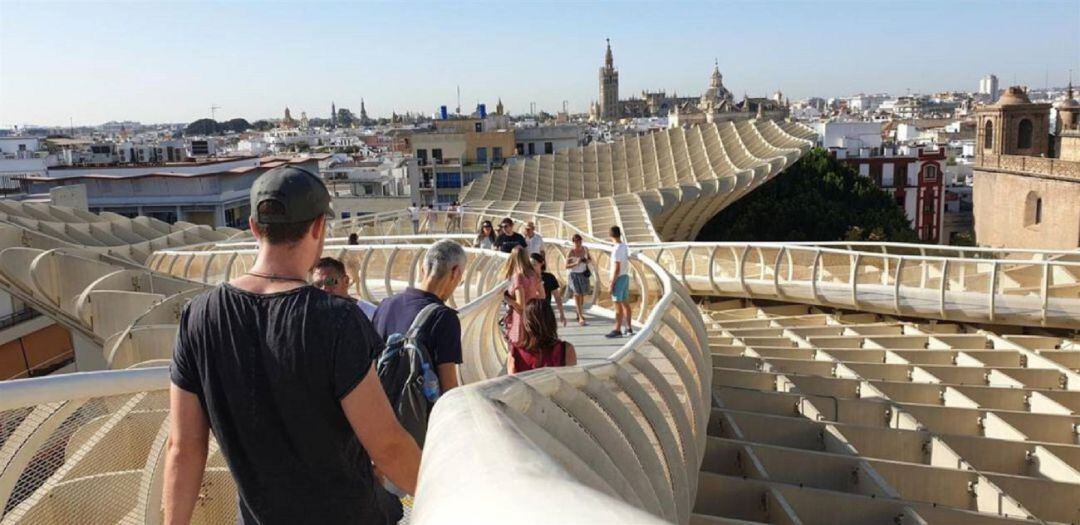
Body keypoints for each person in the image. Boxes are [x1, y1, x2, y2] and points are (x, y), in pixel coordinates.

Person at [166, 166, 420, 525]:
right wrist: (448, 495)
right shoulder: (337, 319)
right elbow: (388, 446)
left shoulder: (198, 316)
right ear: (318, 228)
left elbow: (184, 449)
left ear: (254, 227)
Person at [372, 239, 465, 395]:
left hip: (381, 408)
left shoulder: (386, 305)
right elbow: (449, 389)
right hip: (418, 417)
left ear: (423, 268)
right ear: (455, 272)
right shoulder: (444, 317)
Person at [507, 299, 577, 374]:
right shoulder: (565, 350)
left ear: (526, 324)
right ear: (551, 321)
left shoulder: (516, 353)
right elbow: (573, 381)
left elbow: (512, 384)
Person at [312, 256, 377, 320]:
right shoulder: (312, 317)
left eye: (330, 281)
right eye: (318, 284)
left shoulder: (370, 314)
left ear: (346, 281)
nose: (323, 288)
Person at [503, 246, 544, 346]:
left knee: (519, 348)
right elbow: (542, 296)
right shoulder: (534, 274)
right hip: (533, 315)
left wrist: (506, 298)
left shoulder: (519, 276)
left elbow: (520, 305)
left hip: (521, 319)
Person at [605, 225, 633, 339]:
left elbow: (617, 268)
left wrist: (612, 283)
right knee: (625, 303)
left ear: (610, 235)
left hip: (618, 278)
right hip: (625, 276)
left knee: (617, 305)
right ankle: (628, 327)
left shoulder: (616, 249)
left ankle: (617, 329)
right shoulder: (624, 246)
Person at [530, 252, 566, 327]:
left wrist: (561, 313)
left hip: (545, 311)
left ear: (541, 263)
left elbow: (557, 297)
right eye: (530, 264)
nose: (532, 266)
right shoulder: (526, 278)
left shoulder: (549, 277)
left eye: (534, 264)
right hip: (530, 311)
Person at [565, 233, 593, 326]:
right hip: (574, 275)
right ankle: (581, 316)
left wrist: (586, 261)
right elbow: (566, 266)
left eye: (579, 241)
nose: (578, 243)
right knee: (577, 294)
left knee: (582, 295)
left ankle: (578, 312)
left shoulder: (585, 249)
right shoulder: (571, 252)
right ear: (573, 242)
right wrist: (576, 263)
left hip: (583, 274)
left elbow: (589, 259)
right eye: (576, 241)